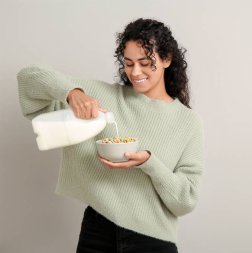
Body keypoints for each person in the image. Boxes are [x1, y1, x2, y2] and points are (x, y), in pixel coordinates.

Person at [17, 18, 204, 253]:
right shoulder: (102, 97)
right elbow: (28, 77)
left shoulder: (187, 122)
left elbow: (185, 200)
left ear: (166, 59)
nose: (135, 72)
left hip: (152, 240)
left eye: (145, 63)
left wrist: (149, 162)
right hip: (97, 231)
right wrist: (71, 93)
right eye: (128, 63)